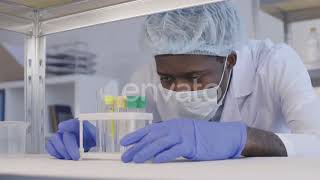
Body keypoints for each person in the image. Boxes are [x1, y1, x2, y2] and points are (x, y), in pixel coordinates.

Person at [46, 1, 320, 163]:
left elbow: (316, 144)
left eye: (194, 77)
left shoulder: (275, 63)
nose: (179, 88)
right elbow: (131, 140)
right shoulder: (146, 77)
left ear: (230, 60)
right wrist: (99, 136)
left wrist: (243, 138)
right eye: (167, 78)